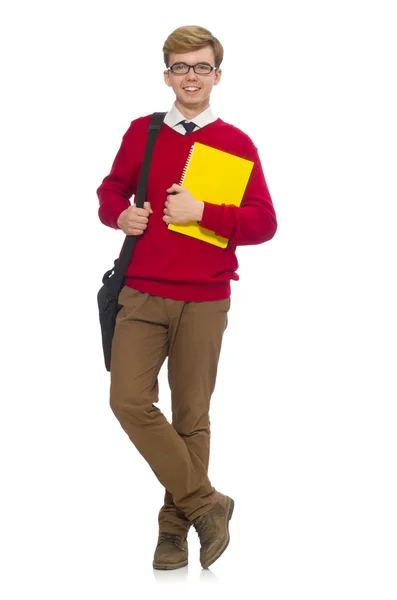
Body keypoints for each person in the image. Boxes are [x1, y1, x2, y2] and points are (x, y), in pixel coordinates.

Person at [96, 25, 277, 571]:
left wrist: (204, 213)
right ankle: (207, 503)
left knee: (191, 417)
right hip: (142, 292)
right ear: (167, 75)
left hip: (205, 298)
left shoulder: (236, 142)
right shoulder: (143, 132)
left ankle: (173, 532)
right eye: (180, 66)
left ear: (217, 76)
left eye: (201, 67)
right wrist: (118, 214)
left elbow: (265, 223)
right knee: (127, 401)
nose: (191, 76)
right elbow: (111, 189)